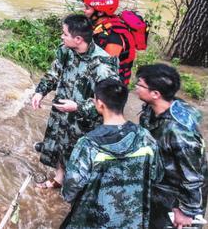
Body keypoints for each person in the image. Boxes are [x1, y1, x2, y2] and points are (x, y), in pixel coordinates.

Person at [31, 14, 119, 189]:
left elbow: (108, 99)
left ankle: (76, 190)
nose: (61, 37)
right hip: (62, 110)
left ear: (78, 39)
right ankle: (59, 178)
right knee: (59, 143)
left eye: (64, 34)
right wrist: (40, 92)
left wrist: (78, 107)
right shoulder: (66, 50)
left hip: (85, 118)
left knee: (80, 154)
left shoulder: (103, 64)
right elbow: (54, 73)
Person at [60, 78, 161, 228]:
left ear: (99, 104)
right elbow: (156, 175)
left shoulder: (88, 144)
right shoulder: (145, 137)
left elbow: (71, 186)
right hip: (133, 219)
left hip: (94, 219)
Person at [135, 64, 208, 229]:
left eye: (140, 84)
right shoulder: (152, 109)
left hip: (177, 197)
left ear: (155, 94)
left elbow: (194, 176)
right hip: (160, 187)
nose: (136, 87)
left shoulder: (179, 132)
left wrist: (187, 211)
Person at [83, 0, 136, 86]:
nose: (84, 11)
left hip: (111, 86)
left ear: (100, 12)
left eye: (87, 8)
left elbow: (106, 69)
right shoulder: (100, 25)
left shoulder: (114, 38)